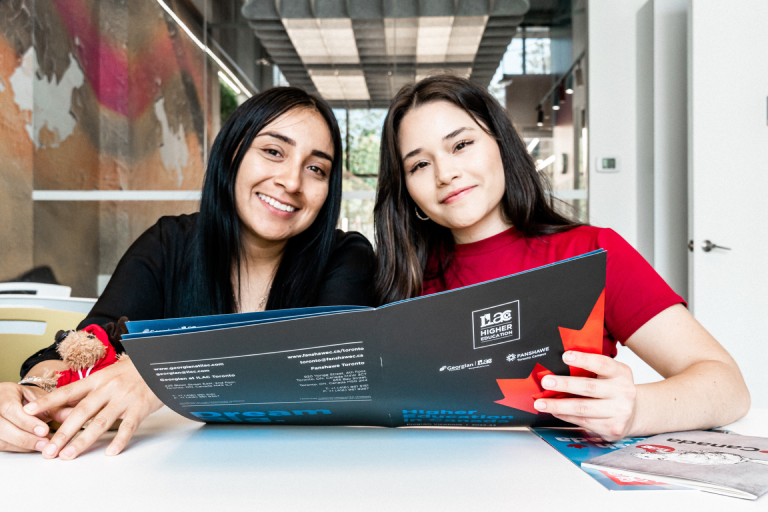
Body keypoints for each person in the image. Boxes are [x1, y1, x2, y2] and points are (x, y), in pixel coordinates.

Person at [0, 87, 375, 459]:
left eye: (316, 168)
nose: (292, 182)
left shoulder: (346, 256)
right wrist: (33, 397)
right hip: (176, 469)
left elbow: (326, 367)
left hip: (306, 466)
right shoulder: (169, 243)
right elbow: (91, 343)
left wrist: (163, 376)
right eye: (273, 152)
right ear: (232, 154)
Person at [373, 74, 750, 441]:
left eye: (461, 145)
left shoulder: (592, 252)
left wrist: (637, 410)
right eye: (419, 164)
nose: (446, 173)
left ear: (502, 145)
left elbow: (728, 387)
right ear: (406, 190)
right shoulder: (402, 280)